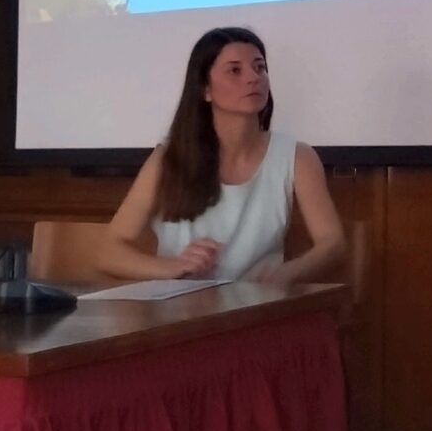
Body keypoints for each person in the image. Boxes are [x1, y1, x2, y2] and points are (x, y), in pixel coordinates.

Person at [96, 26, 345, 285]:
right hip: (180, 304)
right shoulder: (168, 159)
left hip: (257, 302)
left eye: (259, 67)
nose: (253, 78)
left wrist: (285, 274)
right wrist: (174, 267)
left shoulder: (296, 156)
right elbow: (109, 253)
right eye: (235, 70)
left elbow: (333, 243)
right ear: (205, 89)